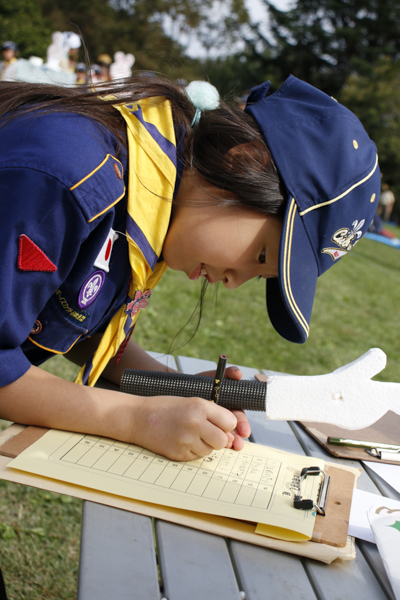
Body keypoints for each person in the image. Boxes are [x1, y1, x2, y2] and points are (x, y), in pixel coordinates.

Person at [0, 74, 380, 464]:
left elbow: (74, 322)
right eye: (263, 256)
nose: (234, 283)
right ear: (243, 161)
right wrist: (136, 419)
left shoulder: (150, 190)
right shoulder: (68, 176)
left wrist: (173, 388)